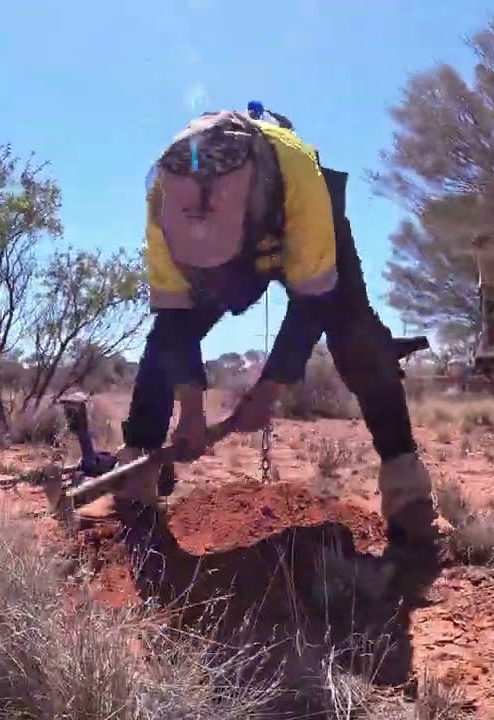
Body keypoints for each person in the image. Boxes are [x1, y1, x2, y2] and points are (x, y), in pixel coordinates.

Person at [76, 108, 441, 563]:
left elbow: (312, 304)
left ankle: (408, 493)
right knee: (162, 348)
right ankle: (135, 478)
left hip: (304, 233)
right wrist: (190, 408)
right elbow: (174, 318)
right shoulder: (164, 199)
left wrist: (268, 392)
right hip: (224, 247)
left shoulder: (300, 181)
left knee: (358, 341)